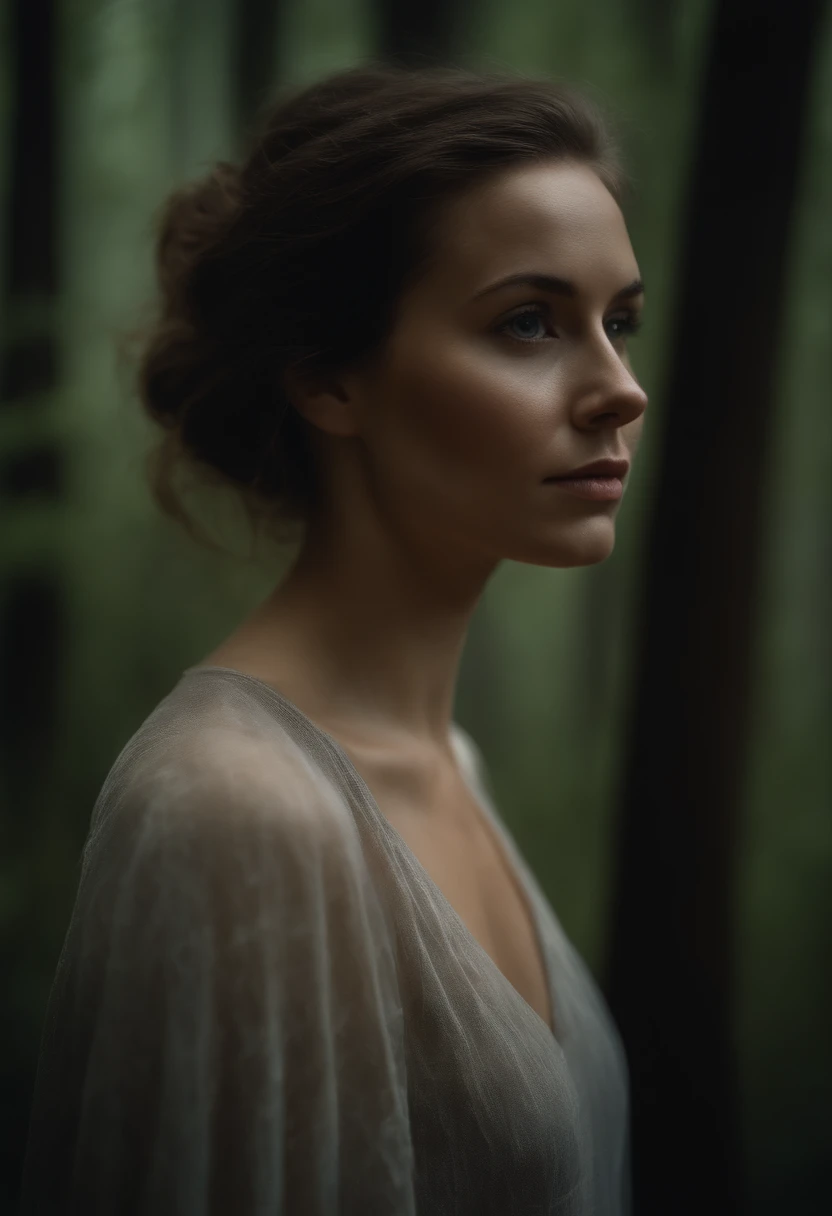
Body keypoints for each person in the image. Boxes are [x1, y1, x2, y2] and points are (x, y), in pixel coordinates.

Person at [19, 61, 648, 1214]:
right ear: (327, 377)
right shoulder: (231, 812)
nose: (621, 389)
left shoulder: (450, 763)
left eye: (618, 322)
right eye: (527, 321)